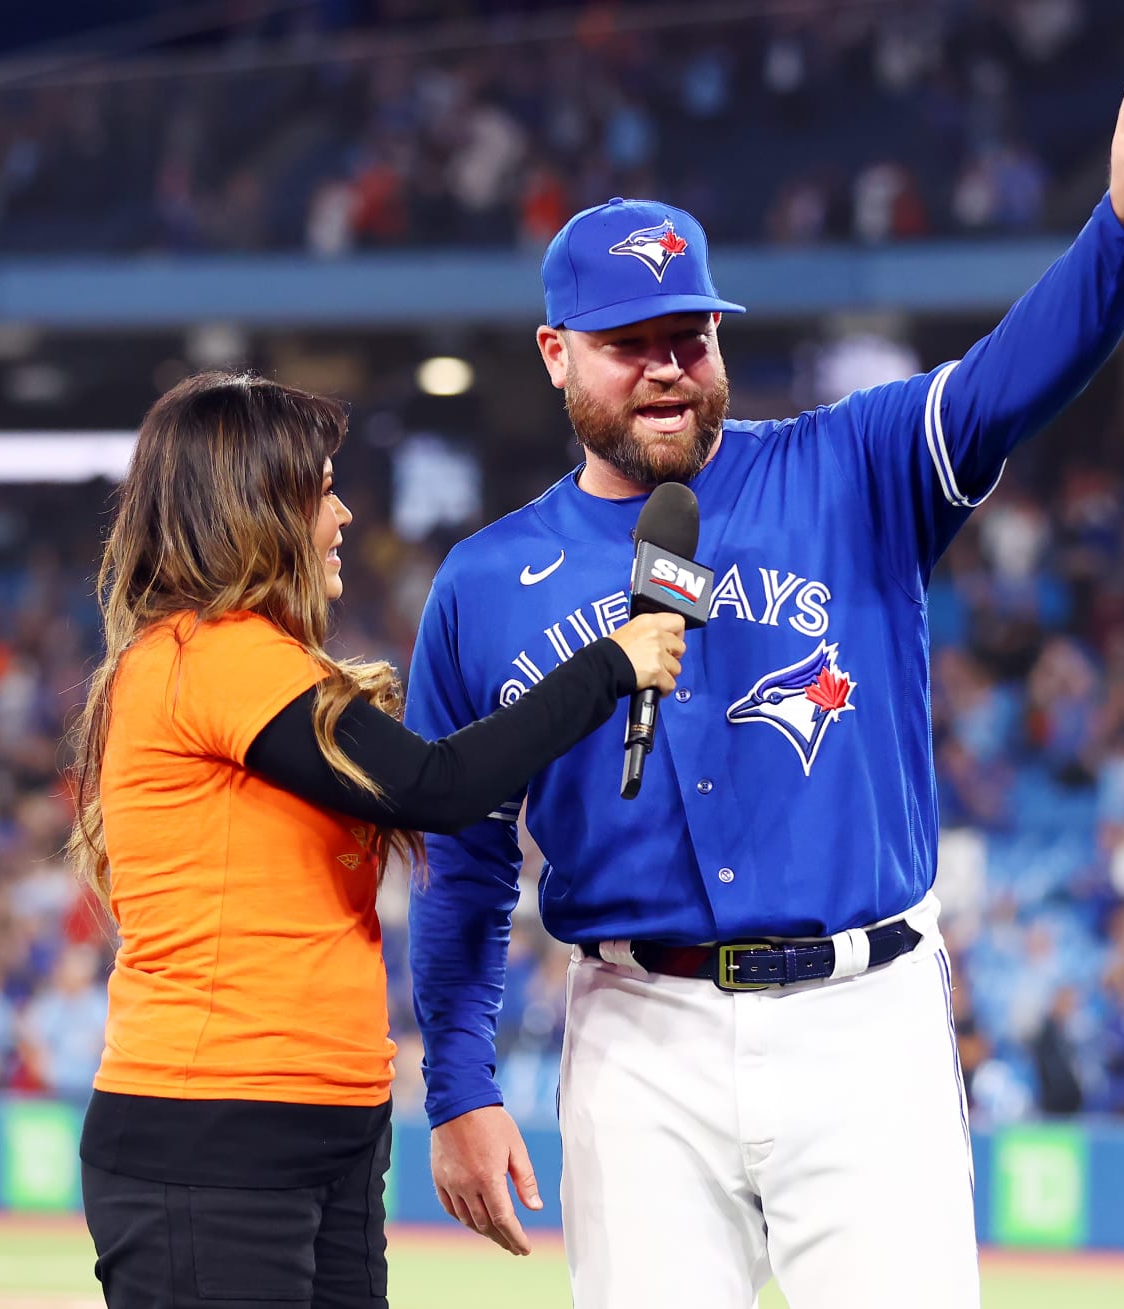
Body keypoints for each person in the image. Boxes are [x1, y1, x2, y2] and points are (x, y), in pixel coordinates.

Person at [406, 44, 1124, 1307]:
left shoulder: (852, 467)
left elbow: (1011, 380)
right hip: (636, 1034)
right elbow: (462, 862)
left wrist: (1123, 228)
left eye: (690, 336)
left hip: (862, 1020)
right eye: (630, 343)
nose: (668, 366)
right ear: (556, 352)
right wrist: (458, 1083)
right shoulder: (484, 582)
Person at [65, 371, 685, 1309]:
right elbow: (437, 787)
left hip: (317, 1123)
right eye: (322, 490)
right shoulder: (212, 654)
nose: (344, 514)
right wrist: (611, 664)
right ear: (256, 508)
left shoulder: (247, 660)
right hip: (217, 1126)